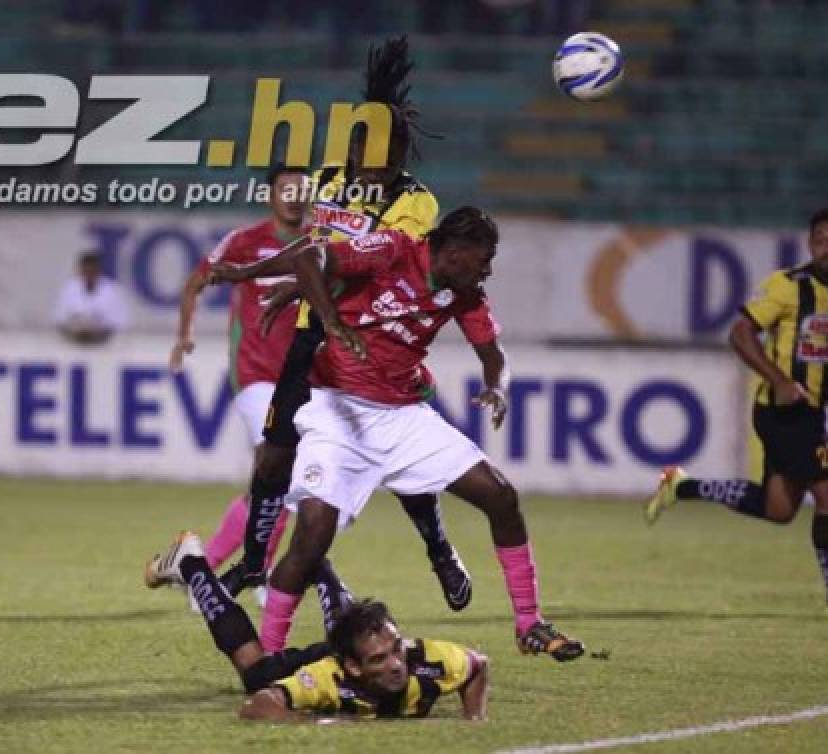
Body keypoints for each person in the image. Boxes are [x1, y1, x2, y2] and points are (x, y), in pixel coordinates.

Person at [213, 207, 584, 661]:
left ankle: (529, 623)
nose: (487, 269)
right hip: (336, 409)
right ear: (455, 251)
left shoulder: (466, 295)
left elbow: (494, 356)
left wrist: (496, 388)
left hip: (403, 417)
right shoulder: (392, 250)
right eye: (483, 258)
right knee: (312, 536)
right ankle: (268, 658)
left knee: (500, 496)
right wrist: (328, 319)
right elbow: (311, 256)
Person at [219, 36, 475, 618]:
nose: (378, 160)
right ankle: (255, 562)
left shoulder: (417, 204)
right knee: (273, 457)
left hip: (378, 341)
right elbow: (318, 249)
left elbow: (375, 261)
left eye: (391, 151)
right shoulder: (327, 182)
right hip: (315, 340)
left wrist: (302, 280)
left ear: (403, 155)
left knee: (397, 464)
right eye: (368, 146)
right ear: (355, 147)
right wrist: (292, 283)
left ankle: (438, 549)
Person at [646, 208, 828, 620]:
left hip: (812, 412)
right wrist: (780, 379)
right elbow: (740, 332)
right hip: (783, 411)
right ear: (810, 244)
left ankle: (682, 486)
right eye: (821, 240)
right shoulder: (787, 286)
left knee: (779, 509)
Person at [145, 531, 490, 721]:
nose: (397, 665)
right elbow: (258, 706)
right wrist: (317, 720)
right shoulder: (328, 679)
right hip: (328, 659)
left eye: (396, 651)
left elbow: (478, 665)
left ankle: (315, 565)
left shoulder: (429, 659)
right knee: (254, 674)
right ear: (352, 667)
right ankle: (191, 564)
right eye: (381, 660)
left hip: (359, 645)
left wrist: (474, 717)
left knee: (356, 625)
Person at [169, 164, 312, 594]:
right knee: (280, 467)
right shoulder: (245, 241)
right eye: (284, 189)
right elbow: (196, 281)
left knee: (280, 483)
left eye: (301, 189)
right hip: (256, 376)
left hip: (306, 379)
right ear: (270, 196)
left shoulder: (321, 244)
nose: (293, 196)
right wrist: (184, 335)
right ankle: (234, 575)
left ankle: (202, 570)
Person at [53, 251, 129, 345]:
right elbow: (59, 318)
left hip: (105, 344)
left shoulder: (112, 290)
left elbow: (120, 321)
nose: (89, 275)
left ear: (99, 271)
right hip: (73, 341)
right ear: (80, 270)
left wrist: (98, 330)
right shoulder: (69, 288)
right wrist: (76, 329)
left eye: (92, 271)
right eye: (86, 271)